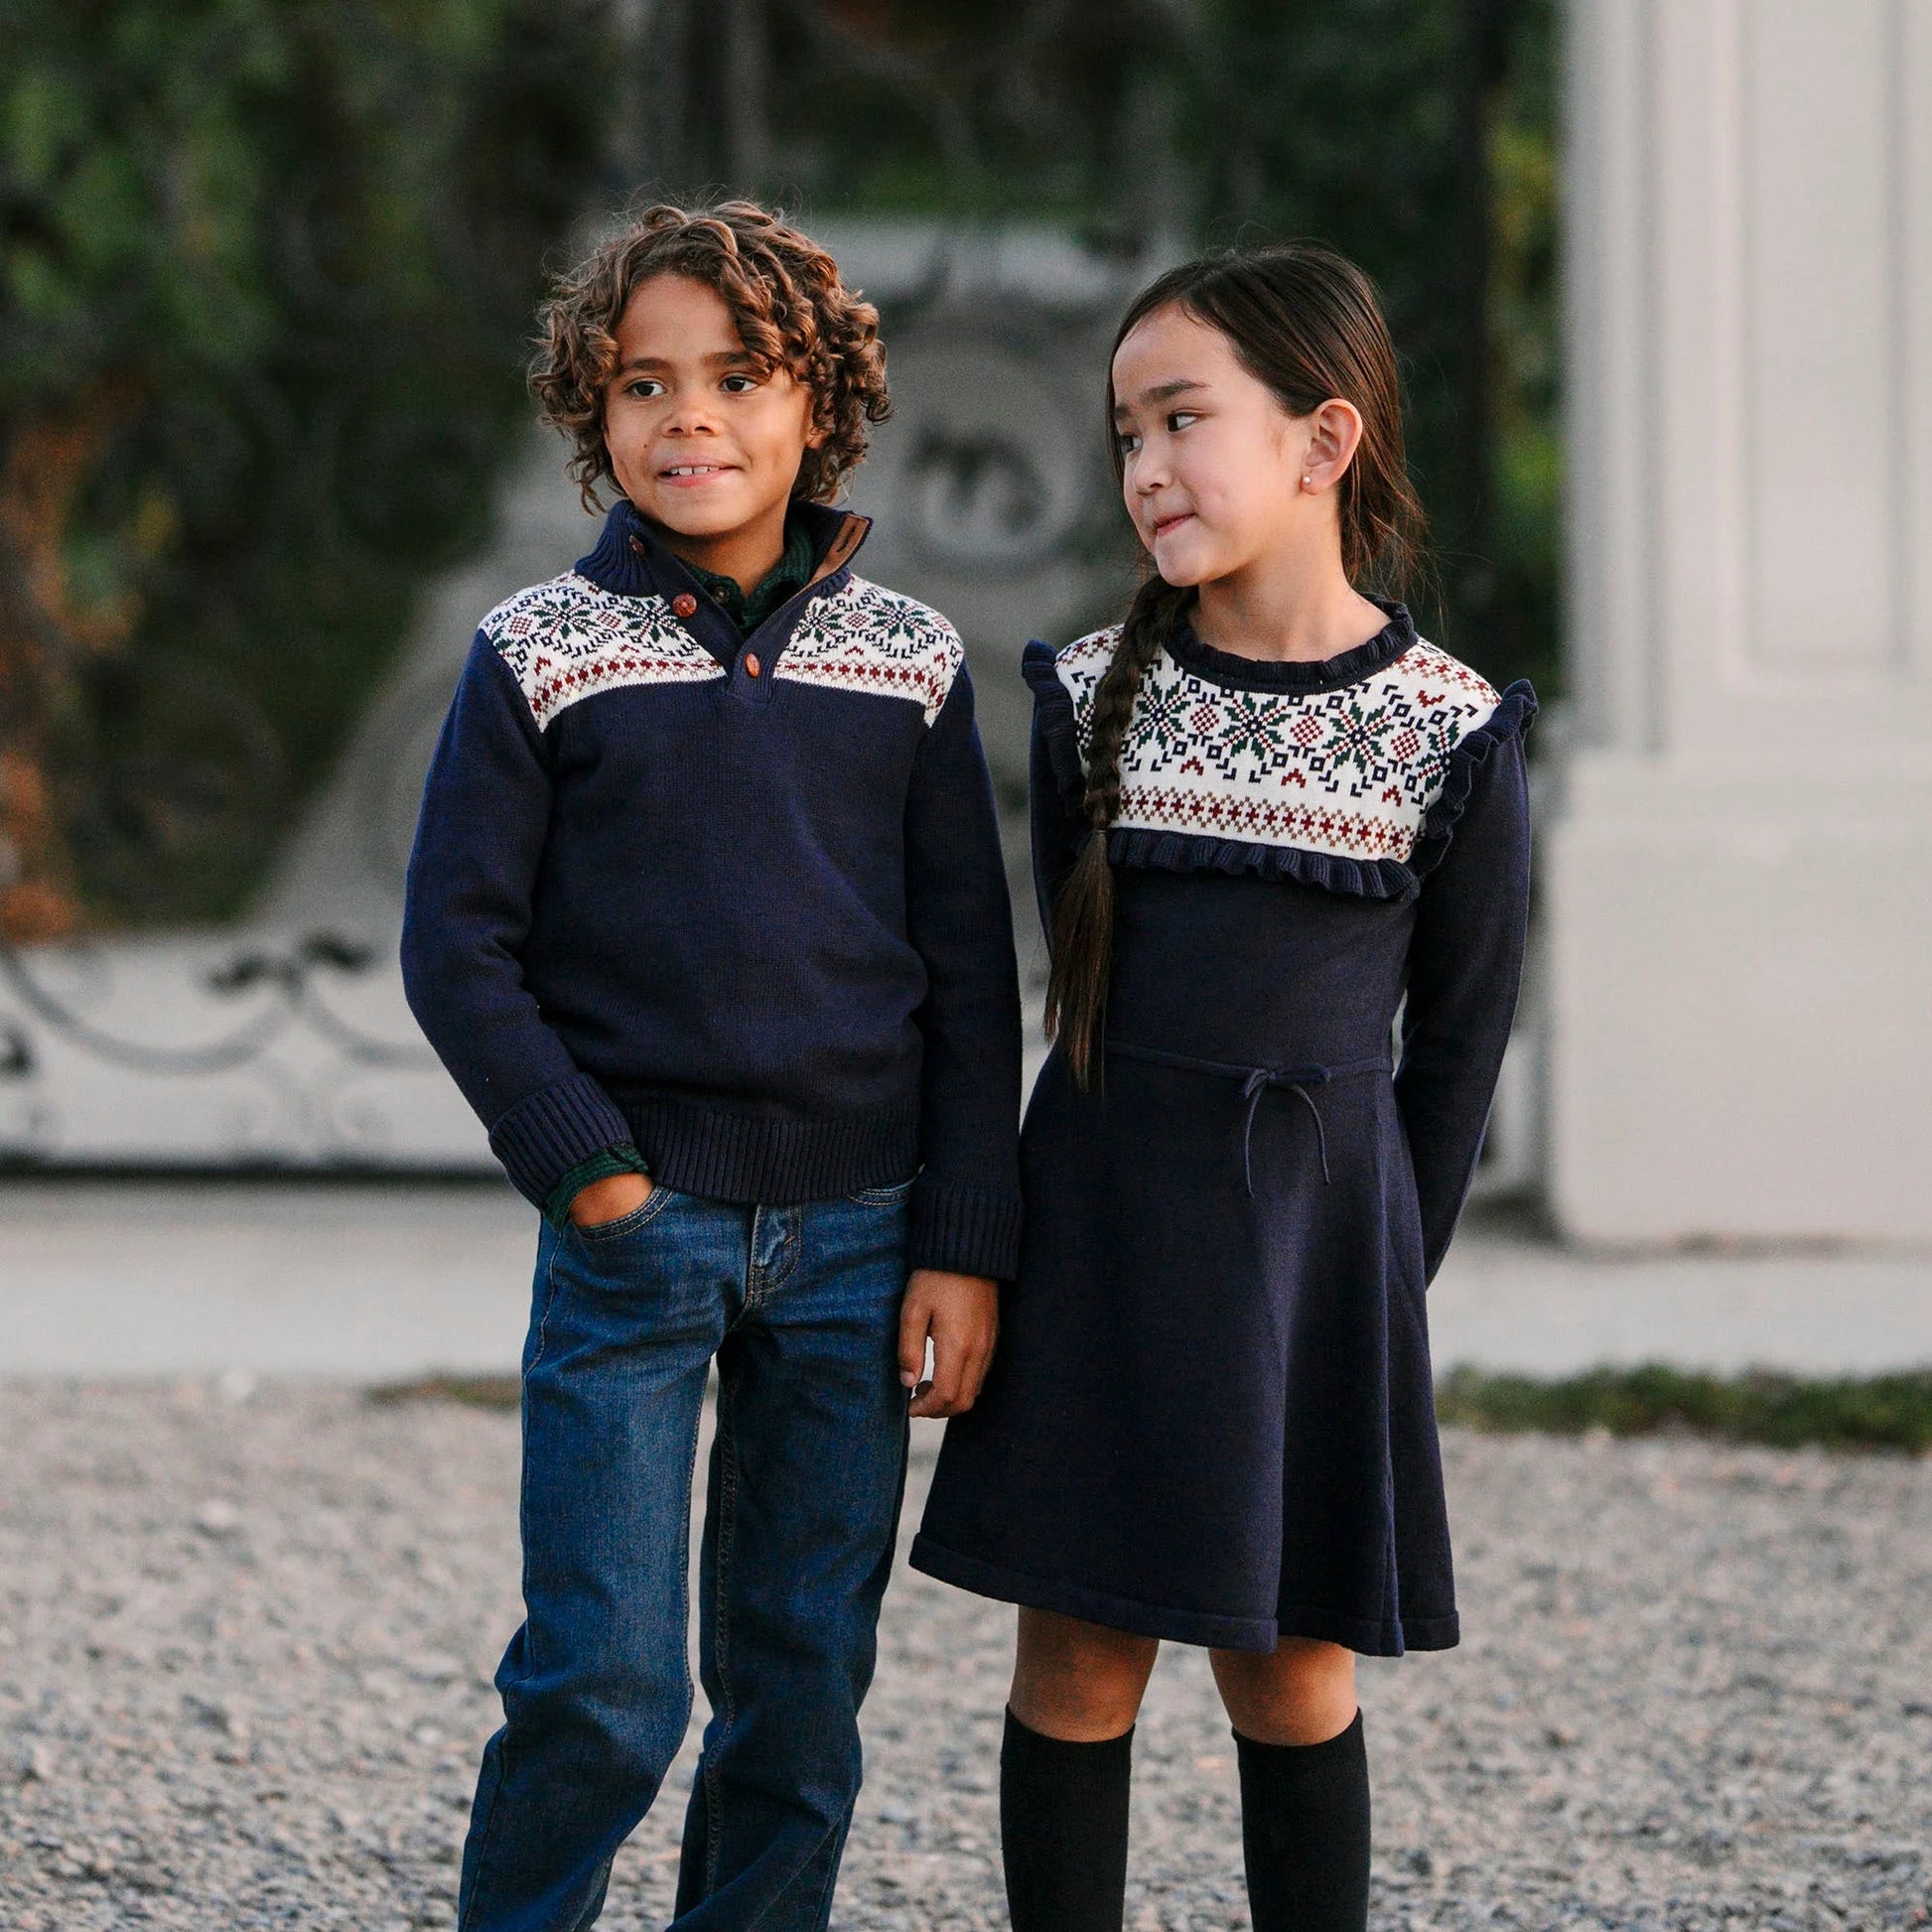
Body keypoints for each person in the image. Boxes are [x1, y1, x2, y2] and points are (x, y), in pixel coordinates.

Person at [401, 200, 1022, 1932]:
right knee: (604, 1683)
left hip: (860, 1237)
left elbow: (973, 977)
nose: (689, 415)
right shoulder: (539, 651)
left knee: (801, 1685)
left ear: (817, 403)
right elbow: (455, 944)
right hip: (634, 1231)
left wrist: (963, 1237)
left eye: (737, 377)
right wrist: (585, 1163)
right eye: (642, 384)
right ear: (590, 415)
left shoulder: (908, 663)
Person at [911, 243, 1536, 1932]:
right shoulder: (1086, 702)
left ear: (1323, 440)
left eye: (1181, 420)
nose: (1144, 468)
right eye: (1125, 434)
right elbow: (1057, 991)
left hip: (1304, 1269)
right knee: (1077, 1652)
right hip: (1100, 1238)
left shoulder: (1449, 731)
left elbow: (1455, 1053)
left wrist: (1367, 1288)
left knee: (1289, 1665)